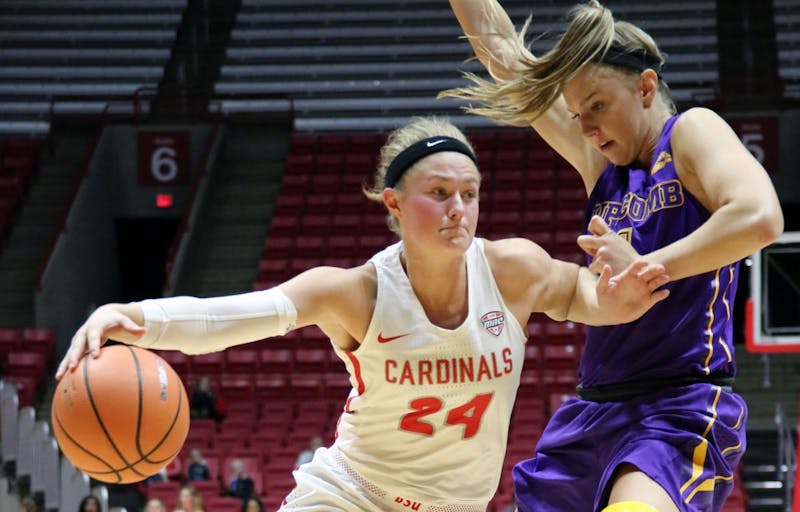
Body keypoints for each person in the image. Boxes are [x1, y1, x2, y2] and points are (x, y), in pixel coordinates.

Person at [56, 117, 671, 511]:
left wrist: (615, 298)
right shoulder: (356, 292)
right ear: (395, 205)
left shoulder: (511, 269)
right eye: (439, 194)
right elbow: (235, 318)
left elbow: (581, 296)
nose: (459, 208)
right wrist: (132, 314)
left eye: (470, 193)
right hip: (351, 495)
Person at [442, 2, 784, 511]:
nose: (585, 128)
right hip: (595, 409)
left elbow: (760, 217)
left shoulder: (690, 131)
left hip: (677, 407)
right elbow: (504, 54)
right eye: (578, 114)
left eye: (597, 106)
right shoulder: (602, 166)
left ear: (646, 87)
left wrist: (647, 264)